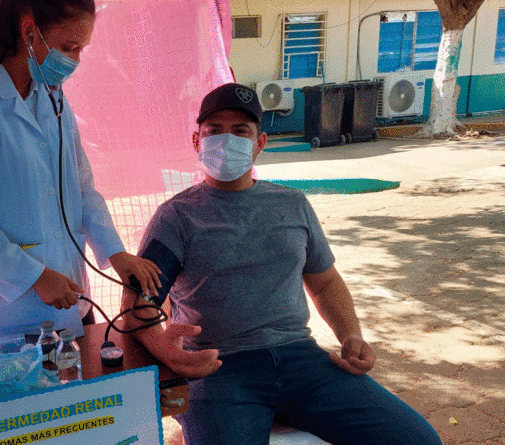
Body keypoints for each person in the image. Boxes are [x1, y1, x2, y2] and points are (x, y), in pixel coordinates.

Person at [122, 83, 442, 444]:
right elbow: (138, 302)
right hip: (216, 368)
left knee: (417, 440)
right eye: (214, 130)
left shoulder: (293, 205)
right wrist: (164, 348)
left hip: (302, 360)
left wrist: (350, 334)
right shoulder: (176, 217)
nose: (226, 140)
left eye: (241, 131)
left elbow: (325, 283)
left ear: (260, 143)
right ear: (197, 141)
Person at [0, 0, 160, 345]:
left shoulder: (51, 96)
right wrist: (31, 275)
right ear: (29, 30)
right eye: (68, 47)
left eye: (81, 49)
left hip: (73, 306)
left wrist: (114, 251)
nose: (76, 60)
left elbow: (82, 188)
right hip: (11, 321)